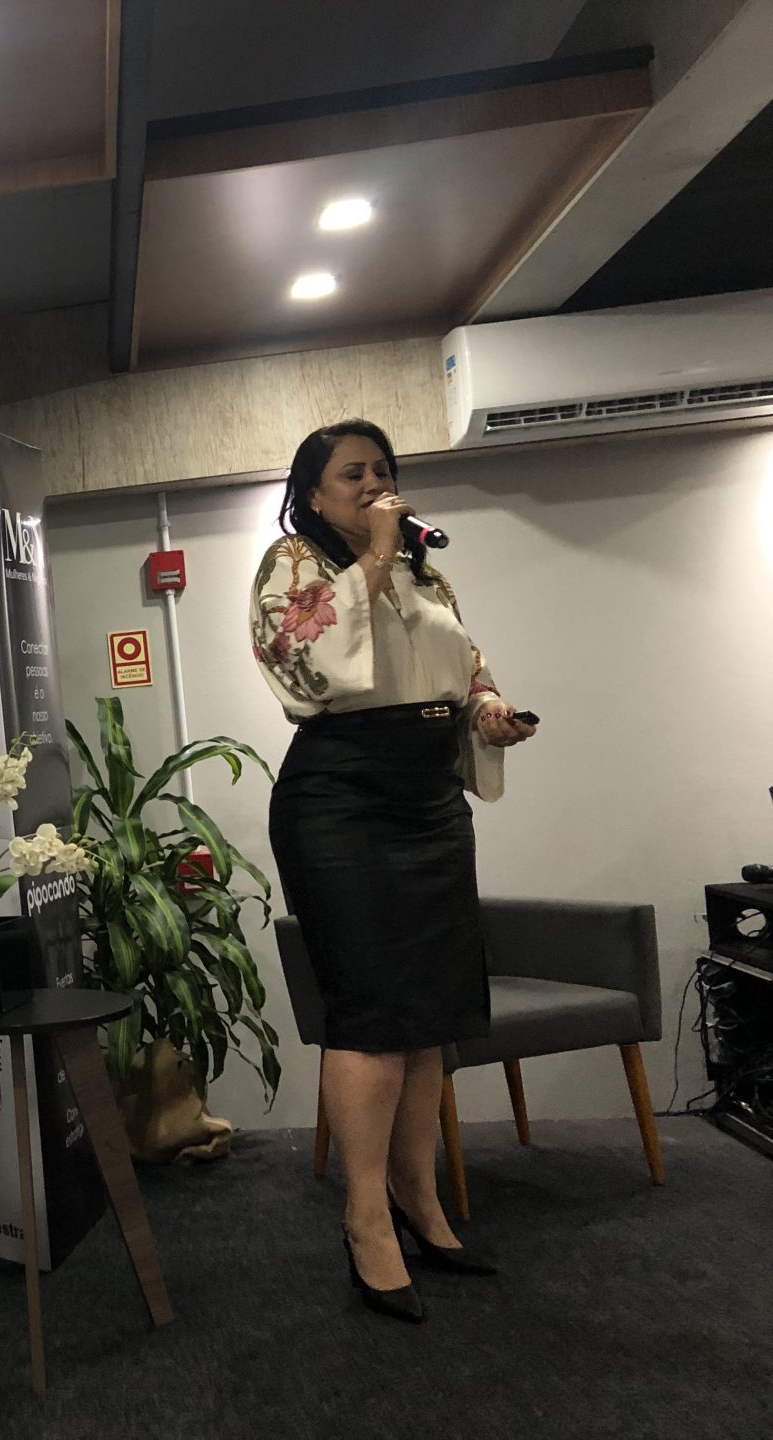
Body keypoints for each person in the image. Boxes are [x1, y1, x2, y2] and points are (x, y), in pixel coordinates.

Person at [249, 419, 536, 1324]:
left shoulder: (425, 569)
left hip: (428, 801)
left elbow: (465, 663)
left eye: (382, 470)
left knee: (425, 1021)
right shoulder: (292, 564)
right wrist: (374, 553)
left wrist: (487, 709)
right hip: (341, 799)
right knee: (373, 1015)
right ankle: (365, 1217)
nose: (374, 484)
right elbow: (308, 665)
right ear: (314, 493)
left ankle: (419, 1196)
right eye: (353, 474)